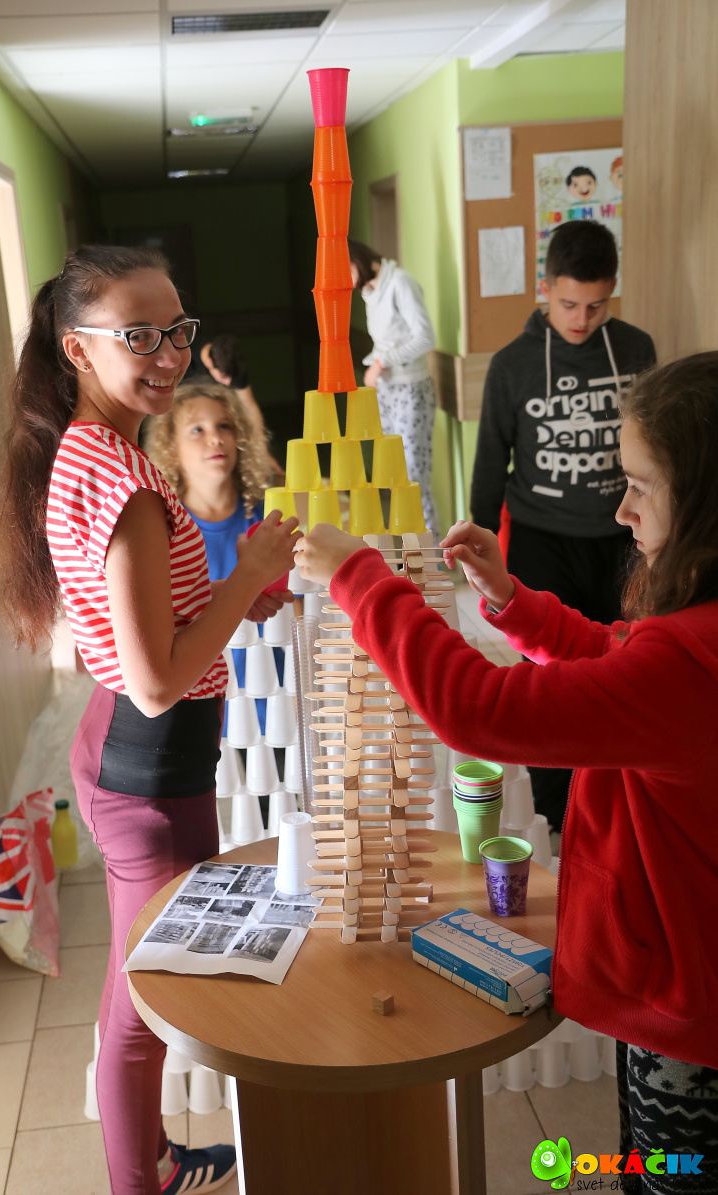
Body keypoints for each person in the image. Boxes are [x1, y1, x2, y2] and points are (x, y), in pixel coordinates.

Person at [295, 352, 718, 1193]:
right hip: (687, 975)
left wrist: (359, 578)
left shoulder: (687, 665)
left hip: (692, 1010)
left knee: (674, 1172)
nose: (621, 509)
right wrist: (510, 600)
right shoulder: (692, 637)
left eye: (641, 486)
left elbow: (474, 707)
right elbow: (615, 656)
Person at [0, 244, 300, 1195]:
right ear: (78, 348)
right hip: (150, 772)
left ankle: (155, 1158)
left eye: (176, 329)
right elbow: (158, 679)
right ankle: (144, 1180)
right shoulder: (124, 481)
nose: (167, 355)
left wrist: (227, 597)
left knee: (140, 985)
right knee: (142, 1004)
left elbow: (140, 626)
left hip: (130, 752)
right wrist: (249, 573)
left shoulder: (94, 451)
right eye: (139, 336)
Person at [470, 219, 657, 831]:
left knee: (622, 668)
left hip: (623, 538)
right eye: (570, 304)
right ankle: (554, 812)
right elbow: (491, 458)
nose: (582, 319)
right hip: (542, 538)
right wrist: (480, 542)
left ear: (612, 292)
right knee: (548, 677)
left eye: (597, 305)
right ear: (546, 287)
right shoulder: (513, 364)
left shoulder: (636, 349)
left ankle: (617, 798)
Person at [146, 380, 280, 728]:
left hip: (276, 699)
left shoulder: (267, 516)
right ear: (171, 447)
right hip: (202, 710)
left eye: (224, 426)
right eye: (197, 430)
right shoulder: (160, 531)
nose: (216, 438)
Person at [348, 237, 440, 540]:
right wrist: (373, 366)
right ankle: (409, 553)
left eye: (344, 270)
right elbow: (387, 341)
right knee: (394, 476)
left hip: (410, 389)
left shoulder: (400, 282)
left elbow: (425, 338)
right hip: (386, 390)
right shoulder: (370, 291)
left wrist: (381, 363)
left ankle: (435, 558)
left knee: (414, 480)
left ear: (356, 260)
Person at [185, 331, 279, 475]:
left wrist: (262, 452)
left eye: (231, 378)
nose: (229, 382)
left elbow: (248, 406)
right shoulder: (185, 360)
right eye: (224, 376)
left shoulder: (232, 361)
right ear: (209, 362)